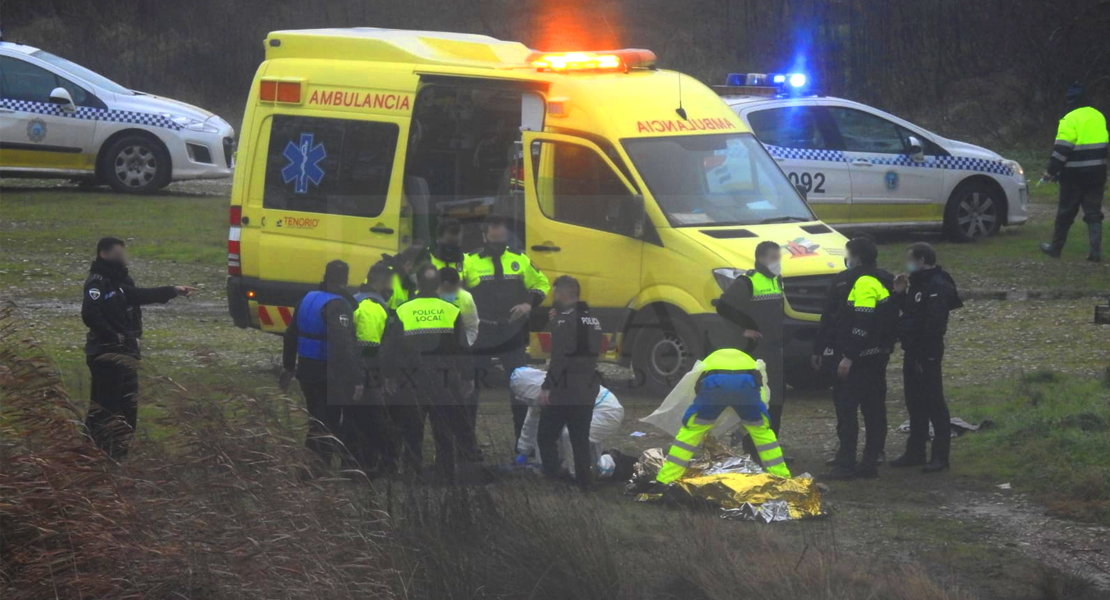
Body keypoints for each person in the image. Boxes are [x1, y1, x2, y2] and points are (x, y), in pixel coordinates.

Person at [81, 237, 195, 459]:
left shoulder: (121, 282)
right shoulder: (97, 283)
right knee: (105, 410)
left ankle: (118, 456)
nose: (124, 256)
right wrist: (115, 337)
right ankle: (94, 456)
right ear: (105, 254)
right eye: (119, 253)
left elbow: (143, 295)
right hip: (106, 355)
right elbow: (89, 314)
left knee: (128, 409)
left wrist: (173, 291)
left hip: (126, 355)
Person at [381, 264, 476, 480]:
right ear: (439, 285)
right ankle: (445, 472)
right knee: (443, 428)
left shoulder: (404, 310)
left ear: (417, 283)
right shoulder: (451, 311)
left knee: (412, 428)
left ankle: (412, 471)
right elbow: (462, 348)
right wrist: (468, 377)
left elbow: (391, 347)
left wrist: (388, 375)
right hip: (444, 380)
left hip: (412, 379)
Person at [463, 214, 550, 444]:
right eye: (493, 239)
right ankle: (468, 443)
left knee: (519, 388)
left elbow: (542, 284)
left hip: (511, 332)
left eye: (502, 239)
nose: (498, 244)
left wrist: (528, 304)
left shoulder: (519, 259)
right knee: (471, 388)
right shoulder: (469, 261)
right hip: (482, 332)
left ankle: (522, 446)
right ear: (484, 236)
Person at [656, 348, 791, 484]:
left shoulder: (710, 359)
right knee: (762, 431)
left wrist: (698, 415)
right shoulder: (750, 361)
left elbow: (695, 389)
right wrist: (757, 418)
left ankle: (666, 479)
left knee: (691, 432)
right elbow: (763, 393)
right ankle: (782, 477)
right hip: (746, 385)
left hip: (714, 384)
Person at [825, 238, 897, 481]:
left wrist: (848, 356)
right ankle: (870, 461)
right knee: (875, 410)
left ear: (856, 257)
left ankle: (846, 464)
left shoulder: (863, 282)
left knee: (847, 411)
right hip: (878, 357)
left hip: (859, 361)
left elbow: (861, 324)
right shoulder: (885, 280)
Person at [280, 260, 364, 468]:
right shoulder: (338, 305)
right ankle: (318, 470)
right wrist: (356, 378)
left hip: (306, 370)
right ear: (346, 279)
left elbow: (290, 334)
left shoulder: (308, 298)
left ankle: (310, 467)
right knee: (328, 423)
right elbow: (342, 345)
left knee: (316, 419)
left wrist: (289, 366)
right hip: (327, 373)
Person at [891, 243, 963, 473]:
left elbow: (933, 325)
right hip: (913, 351)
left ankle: (941, 456)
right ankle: (916, 451)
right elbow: (912, 314)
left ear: (922, 260)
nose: (907, 264)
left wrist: (924, 353)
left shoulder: (937, 286)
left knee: (934, 403)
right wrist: (900, 294)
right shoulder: (919, 284)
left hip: (927, 352)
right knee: (914, 402)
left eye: (911, 259)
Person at [536, 276, 604, 489]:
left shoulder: (564, 322)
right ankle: (586, 484)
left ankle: (555, 480)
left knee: (545, 437)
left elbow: (559, 359)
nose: (554, 297)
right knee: (580, 440)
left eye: (556, 293)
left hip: (565, 390)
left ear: (565, 294)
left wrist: (547, 386)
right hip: (587, 388)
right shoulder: (593, 319)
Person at [715, 240, 785, 435]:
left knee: (777, 399)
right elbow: (723, 307)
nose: (777, 262)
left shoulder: (777, 280)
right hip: (756, 351)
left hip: (775, 350)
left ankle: (771, 442)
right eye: (773, 258)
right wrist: (742, 331)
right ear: (761, 259)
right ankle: (751, 447)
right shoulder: (747, 282)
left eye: (778, 258)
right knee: (756, 399)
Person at [1039, 82, 1107, 262]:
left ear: (1069, 101)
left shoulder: (1069, 119)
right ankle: (1095, 252)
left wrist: (1050, 172)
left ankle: (1055, 248)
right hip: (1097, 173)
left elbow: (1061, 150)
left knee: (1066, 212)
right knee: (1093, 212)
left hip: (1073, 176)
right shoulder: (1098, 116)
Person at [349, 261, 395, 473]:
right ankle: (370, 464)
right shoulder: (371, 306)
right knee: (373, 419)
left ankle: (355, 463)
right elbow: (368, 348)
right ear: (382, 281)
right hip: (368, 372)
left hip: (351, 371)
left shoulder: (355, 299)